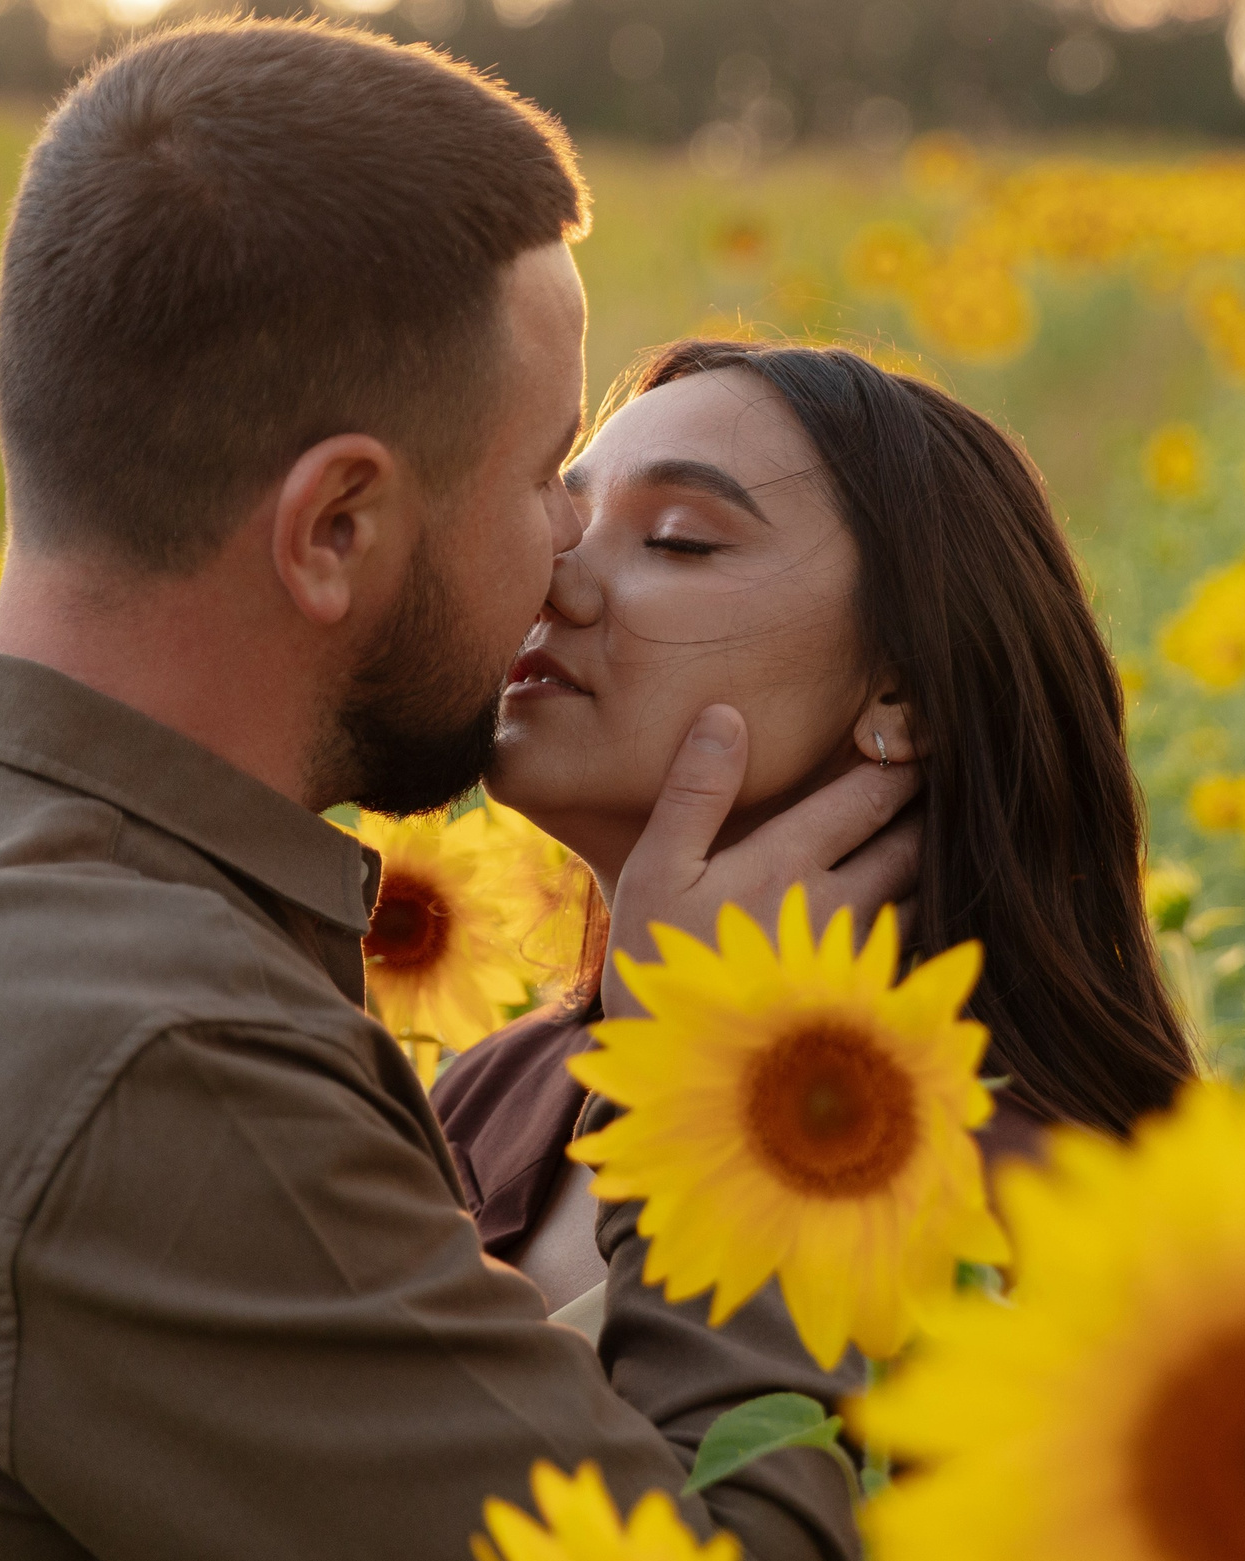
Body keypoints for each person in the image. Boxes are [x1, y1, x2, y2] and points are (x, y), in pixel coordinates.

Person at [0, 22, 915, 1561]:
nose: (569, 555)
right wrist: (738, 1082)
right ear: (335, 527)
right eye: (541, 477)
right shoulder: (142, 1051)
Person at [429, 338, 1198, 1325]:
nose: (549, 578)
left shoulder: (1029, 1204)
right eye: (562, 518)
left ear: (898, 691)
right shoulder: (501, 1089)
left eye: (675, 539)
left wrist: (706, 1066)